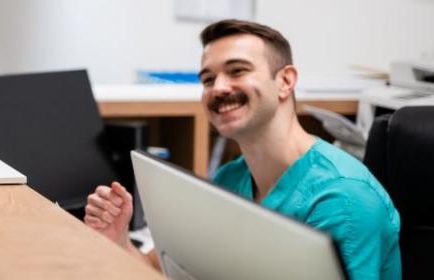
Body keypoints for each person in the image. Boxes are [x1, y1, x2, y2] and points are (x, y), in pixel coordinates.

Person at [84, 19, 400, 279]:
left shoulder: (343, 200)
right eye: (208, 79)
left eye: (237, 71)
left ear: (285, 81)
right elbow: (160, 269)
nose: (218, 88)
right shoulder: (231, 179)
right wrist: (120, 240)